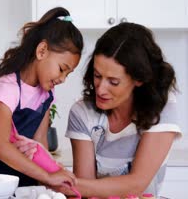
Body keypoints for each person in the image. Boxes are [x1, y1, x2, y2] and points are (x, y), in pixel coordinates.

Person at [0, 7, 82, 188]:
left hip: (24, 181)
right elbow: (1, 146)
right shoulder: (8, 89)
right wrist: (47, 177)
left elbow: (39, 143)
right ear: (42, 51)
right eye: (61, 69)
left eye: (68, 74)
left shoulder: (46, 95)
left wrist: (55, 174)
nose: (62, 79)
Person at [63, 22, 182, 198]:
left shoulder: (161, 108)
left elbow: (136, 183)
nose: (101, 89)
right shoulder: (82, 113)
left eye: (113, 81)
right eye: (97, 75)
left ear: (139, 79)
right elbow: (84, 191)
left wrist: (63, 185)